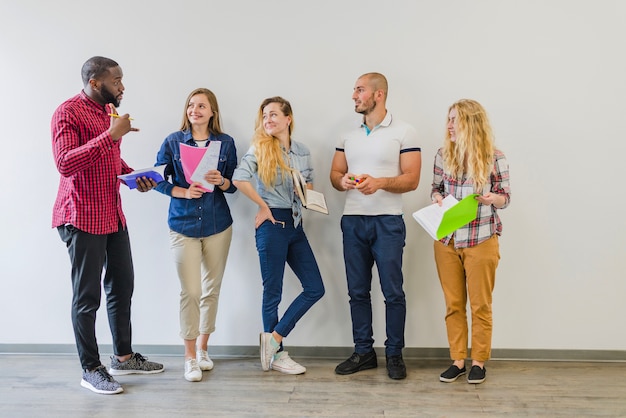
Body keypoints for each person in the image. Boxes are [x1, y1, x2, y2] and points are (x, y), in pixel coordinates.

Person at [52, 56, 164, 395]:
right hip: (82, 215)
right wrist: (110, 135)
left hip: (111, 213)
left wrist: (134, 177)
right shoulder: (67, 112)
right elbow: (65, 163)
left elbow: (108, 160)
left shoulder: (108, 113)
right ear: (96, 82)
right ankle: (91, 369)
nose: (122, 87)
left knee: (122, 286)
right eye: (116, 81)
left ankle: (123, 357)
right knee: (87, 298)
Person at [330, 72, 421, 380]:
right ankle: (363, 352)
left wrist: (380, 182)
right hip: (353, 221)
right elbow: (335, 172)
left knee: (393, 292)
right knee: (357, 291)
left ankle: (394, 354)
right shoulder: (347, 135)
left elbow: (412, 179)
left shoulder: (405, 132)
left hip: (388, 223)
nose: (354, 95)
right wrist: (342, 181)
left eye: (359, 90)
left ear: (378, 94)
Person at [232, 96, 325, 375]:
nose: (268, 120)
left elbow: (308, 186)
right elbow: (239, 179)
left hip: (296, 225)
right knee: (272, 292)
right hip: (272, 224)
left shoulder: (303, 151)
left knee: (315, 288)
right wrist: (263, 206)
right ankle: (277, 355)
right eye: (264, 116)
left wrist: (304, 191)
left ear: (288, 118)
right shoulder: (260, 148)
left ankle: (273, 339)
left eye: (273, 115)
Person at [153, 88, 238, 382]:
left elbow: (235, 185)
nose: (195, 109)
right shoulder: (173, 141)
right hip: (183, 224)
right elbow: (155, 179)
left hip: (218, 224)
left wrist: (223, 180)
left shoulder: (225, 143)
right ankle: (189, 356)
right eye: (191, 104)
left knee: (211, 289)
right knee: (190, 292)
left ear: (213, 111)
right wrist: (182, 191)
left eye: (202, 105)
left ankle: (203, 349)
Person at [431, 99, 511, 385]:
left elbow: (505, 197)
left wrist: (493, 199)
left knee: (480, 305)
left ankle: (478, 362)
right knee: (453, 304)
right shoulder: (443, 155)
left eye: (456, 119)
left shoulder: (494, 157)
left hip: (481, 239)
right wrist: (437, 198)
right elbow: (436, 189)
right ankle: (457, 361)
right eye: (448, 119)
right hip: (447, 240)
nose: (449, 125)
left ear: (472, 123)